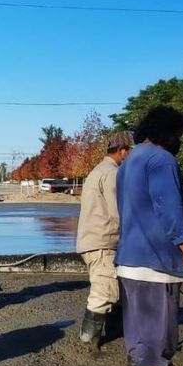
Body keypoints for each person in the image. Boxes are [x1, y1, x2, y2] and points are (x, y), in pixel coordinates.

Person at [115, 106, 183, 366]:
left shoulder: (128, 162)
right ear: (167, 132)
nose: (179, 140)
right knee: (157, 342)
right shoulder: (162, 160)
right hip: (156, 265)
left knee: (138, 340)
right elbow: (170, 212)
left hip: (129, 262)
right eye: (178, 134)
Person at [75, 131, 134, 346]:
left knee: (116, 287)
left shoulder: (99, 170)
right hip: (102, 242)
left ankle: (115, 331)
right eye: (131, 151)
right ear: (122, 151)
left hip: (94, 240)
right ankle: (88, 342)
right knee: (104, 291)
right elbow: (119, 210)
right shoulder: (112, 173)